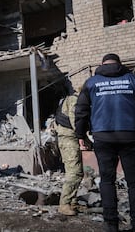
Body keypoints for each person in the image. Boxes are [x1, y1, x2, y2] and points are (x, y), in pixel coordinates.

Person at [75, 53, 135, 232]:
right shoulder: (134, 80)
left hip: (103, 137)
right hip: (130, 135)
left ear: (102, 64)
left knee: (107, 181)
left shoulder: (91, 83)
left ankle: (111, 225)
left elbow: (81, 111)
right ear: (119, 64)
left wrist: (81, 135)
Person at [55, 88, 84, 216]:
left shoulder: (75, 99)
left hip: (69, 139)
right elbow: (75, 121)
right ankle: (64, 204)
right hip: (69, 140)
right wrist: (82, 136)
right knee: (74, 173)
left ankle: (72, 202)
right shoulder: (75, 100)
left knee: (77, 172)